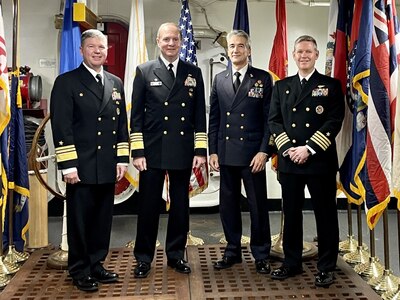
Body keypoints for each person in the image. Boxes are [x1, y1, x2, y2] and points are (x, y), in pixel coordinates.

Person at [50, 29, 129, 292]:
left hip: (107, 165)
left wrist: (121, 159)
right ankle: (79, 269)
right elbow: (62, 128)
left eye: (102, 47)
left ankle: (97, 263)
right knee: (80, 221)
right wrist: (68, 165)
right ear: (82, 50)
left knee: (102, 219)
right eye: (92, 47)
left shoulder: (116, 83)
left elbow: (121, 126)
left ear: (107, 51)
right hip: (80, 166)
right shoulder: (67, 82)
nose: (98, 51)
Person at [130, 22, 207, 278]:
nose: (171, 44)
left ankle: (175, 255)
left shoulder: (193, 72)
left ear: (182, 41)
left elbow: (199, 115)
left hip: (182, 149)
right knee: (148, 206)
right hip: (151, 151)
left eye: (175, 39)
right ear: (158, 42)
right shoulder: (144, 71)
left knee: (180, 207)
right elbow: (137, 116)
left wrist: (200, 151)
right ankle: (143, 258)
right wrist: (138, 152)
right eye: (166, 40)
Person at [268, 35, 345, 287]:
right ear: (293, 54)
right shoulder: (282, 86)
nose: (304, 55)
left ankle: (326, 266)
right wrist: (290, 149)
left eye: (309, 52)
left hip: (319, 161)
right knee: (291, 214)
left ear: (316, 55)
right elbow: (274, 121)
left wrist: (309, 148)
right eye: (299, 52)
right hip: (290, 161)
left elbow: (334, 120)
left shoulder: (331, 85)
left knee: (325, 214)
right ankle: (291, 262)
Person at [208, 30, 275, 274]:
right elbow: (214, 118)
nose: (235, 50)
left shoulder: (263, 78)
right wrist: (212, 151)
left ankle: (260, 253)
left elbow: (270, 120)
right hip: (226, 152)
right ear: (227, 50)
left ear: (249, 50)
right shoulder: (219, 79)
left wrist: (264, 152)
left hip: (252, 155)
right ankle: (232, 250)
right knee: (228, 205)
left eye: (240, 46)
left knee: (258, 206)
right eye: (232, 46)